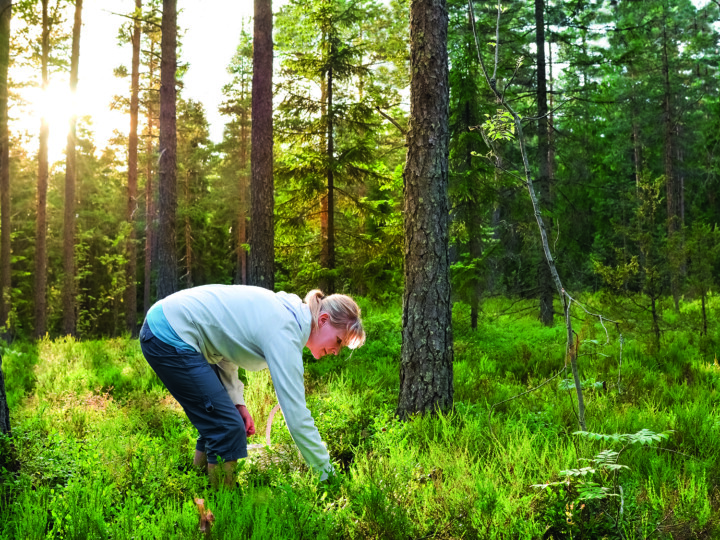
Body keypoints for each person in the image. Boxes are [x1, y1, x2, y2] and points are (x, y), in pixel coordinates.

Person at [139, 284, 365, 487]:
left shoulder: (288, 312)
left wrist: (237, 402)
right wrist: (327, 474)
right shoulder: (285, 330)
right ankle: (225, 510)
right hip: (169, 333)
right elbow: (297, 418)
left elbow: (227, 347)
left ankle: (197, 484)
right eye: (338, 341)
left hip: (168, 323)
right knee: (226, 428)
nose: (336, 351)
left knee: (223, 419)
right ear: (323, 320)